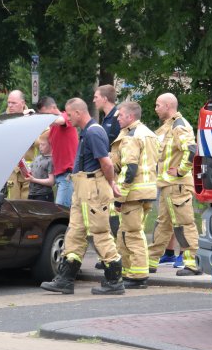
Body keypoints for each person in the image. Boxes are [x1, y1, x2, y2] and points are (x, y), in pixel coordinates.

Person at [41, 98, 125, 295]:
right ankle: (65, 279)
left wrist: (110, 183)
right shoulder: (87, 131)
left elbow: (107, 163)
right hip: (82, 188)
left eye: (69, 115)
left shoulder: (94, 132)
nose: (68, 119)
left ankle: (114, 280)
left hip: (92, 188)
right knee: (75, 232)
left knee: (100, 232)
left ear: (78, 113)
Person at [147, 93, 202, 276]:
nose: (155, 109)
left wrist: (180, 170)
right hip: (167, 186)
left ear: (168, 106)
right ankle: (150, 261)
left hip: (177, 186)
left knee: (184, 224)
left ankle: (192, 263)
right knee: (162, 224)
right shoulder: (167, 127)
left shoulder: (179, 126)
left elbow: (192, 150)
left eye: (158, 105)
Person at [110, 101, 159, 289]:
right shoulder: (149, 134)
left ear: (130, 117)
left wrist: (119, 196)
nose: (118, 118)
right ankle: (128, 270)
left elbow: (129, 169)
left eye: (120, 115)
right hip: (146, 191)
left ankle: (138, 275)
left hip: (133, 193)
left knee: (132, 233)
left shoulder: (131, 137)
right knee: (126, 231)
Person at [36, 96, 78, 208]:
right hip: (60, 175)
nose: (44, 118)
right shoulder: (52, 127)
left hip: (67, 174)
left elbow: (61, 120)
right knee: (64, 212)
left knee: (60, 211)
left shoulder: (65, 117)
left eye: (45, 114)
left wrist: (36, 117)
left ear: (54, 107)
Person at [4, 89, 36, 199]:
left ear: (23, 103)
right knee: (12, 205)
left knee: (26, 205)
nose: (10, 106)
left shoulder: (33, 118)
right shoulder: (4, 120)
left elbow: (45, 138)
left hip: (28, 170)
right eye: (9, 102)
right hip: (11, 170)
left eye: (14, 103)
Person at [26, 136, 54, 202]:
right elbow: (30, 172)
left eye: (43, 144)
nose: (40, 146)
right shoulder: (37, 158)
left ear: (51, 145)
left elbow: (51, 181)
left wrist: (34, 180)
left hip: (44, 195)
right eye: (40, 144)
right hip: (31, 194)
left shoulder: (51, 160)